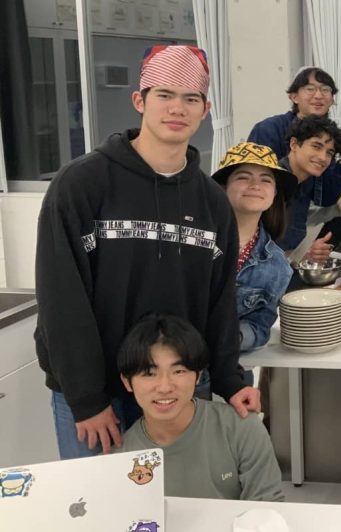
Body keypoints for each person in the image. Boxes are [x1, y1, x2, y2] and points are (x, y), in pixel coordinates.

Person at [35, 44, 259, 460]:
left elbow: (219, 301)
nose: (177, 108)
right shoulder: (81, 184)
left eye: (191, 99)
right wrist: (87, 398)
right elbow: (60, 298)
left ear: (205, 110)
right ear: (139, 101)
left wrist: (230, 379)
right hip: (98, 396)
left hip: (176, 392)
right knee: (97, 499)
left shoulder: (212, 202)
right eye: (164, 95)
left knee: (178, 497)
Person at [118, 314, 284, 502]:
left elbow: (268, 504)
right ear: (127, 382)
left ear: (198, 376)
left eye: (178, 371)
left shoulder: (240, 428)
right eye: (149, 374)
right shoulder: (121, 457)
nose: (164, 387)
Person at [210, 142, 297, 358]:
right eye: (243, 177)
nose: (255, 185)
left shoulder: (278, 266)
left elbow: (259, 326)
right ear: (223, 187)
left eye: (266, 180)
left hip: (228, 366)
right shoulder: (191, 240)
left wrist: (233, 338)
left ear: (274, 193)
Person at [248, 66, 341, 208]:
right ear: (294, 97)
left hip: (298, 218)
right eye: (310, 88)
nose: (318, 95)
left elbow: (325, 198)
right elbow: (256, 185)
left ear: (332, 100)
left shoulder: (328, 137)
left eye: (325, 89)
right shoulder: (269, 129)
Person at [275, 114, 341, 261]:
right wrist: (302, 254)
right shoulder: (273, 182)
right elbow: (252, 250)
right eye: (316, 146)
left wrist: (305, 253)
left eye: (329, 153)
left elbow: (288, 247)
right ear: (294, 144)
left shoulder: (306, 182)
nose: (323, 158)